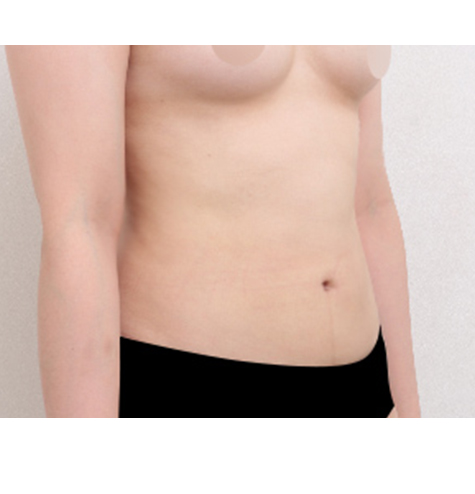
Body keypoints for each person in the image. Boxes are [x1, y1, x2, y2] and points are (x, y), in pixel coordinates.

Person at [5, 45, 421, 418]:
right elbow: (80, 225)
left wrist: (408, 412)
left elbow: (370, 203)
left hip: (364, 386)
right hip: (193, 389)